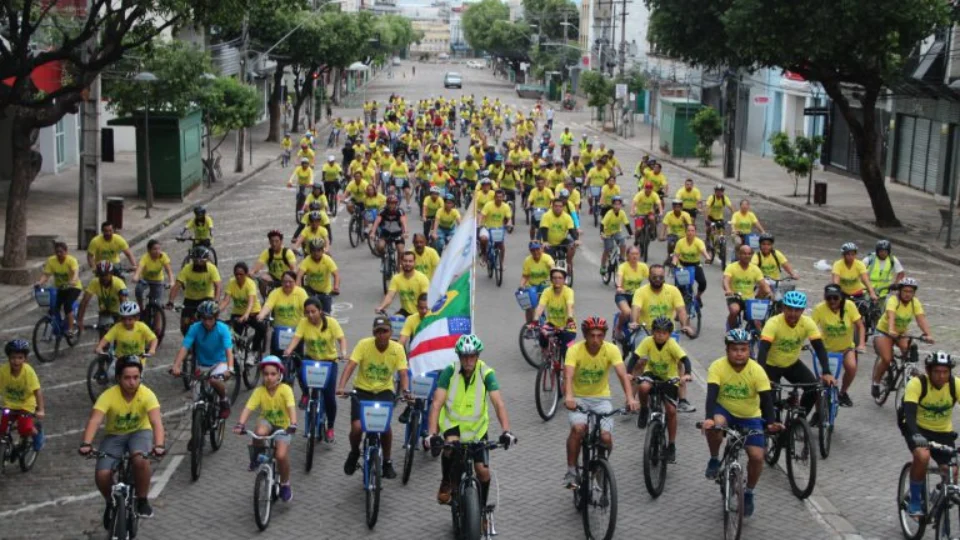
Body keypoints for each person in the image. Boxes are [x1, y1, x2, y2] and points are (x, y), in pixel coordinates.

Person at [428, 334, 515, 509]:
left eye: (472, 355)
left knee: (482, 471)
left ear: (477, 356)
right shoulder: (449, 372)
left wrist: (506, 431)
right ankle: (446, 482)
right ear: (459, 356)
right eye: (465, 356)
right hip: (453, 426)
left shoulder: (486, 373)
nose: (468, 360)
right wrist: (432, 434)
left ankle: (481, 509)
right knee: (450, 450)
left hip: (477, 429)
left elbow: (498, 403)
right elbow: (437, 404)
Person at [702, 329, 781, 518]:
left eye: (743, 349)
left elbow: (766, 399)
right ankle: (714, 458)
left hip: (750, 416)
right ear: (727, 350)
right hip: (725, 411)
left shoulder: (757, 370)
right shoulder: (717, 366)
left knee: (756, 457)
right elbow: (712, 395)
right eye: (735, 349)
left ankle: (749, 493)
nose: (739, 353)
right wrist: (709, 417)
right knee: (715, 426)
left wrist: (770, 423)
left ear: (749, 350)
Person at [79, 356, 165, 525]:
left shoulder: (147, 394)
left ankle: (142, 500)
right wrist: (86, 443)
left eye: (136, 377)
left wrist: (159, 445)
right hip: (115, 436)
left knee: (140, 460)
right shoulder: (108, 395)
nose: (132, 382)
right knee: (102, 474)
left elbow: (156, 422)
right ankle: (111, 502)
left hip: (140, 432)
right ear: (118, 378)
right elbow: (95, 420)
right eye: (127, 378)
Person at [562, 317, 639, 488]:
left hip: (602, 400)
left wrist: (630, 398)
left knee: (606, 438)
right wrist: (569, 396)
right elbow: (568, 375)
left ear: (604, 335)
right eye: (592, 335)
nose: (596, 340)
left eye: (599, 335)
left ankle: (599, 468)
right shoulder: (574, 350)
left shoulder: (611, 349)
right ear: (585, 335)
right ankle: (572, 471)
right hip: (579, 399)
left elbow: (622, 375)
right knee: (578, 429)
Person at [337, 315, 410, 480]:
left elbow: (403, 373)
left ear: (391, 332)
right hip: (362, 391)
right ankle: (354, 452)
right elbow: (351, 366)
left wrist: (405, 390)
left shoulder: (397, 349)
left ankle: (387, 461)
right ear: (373, 333)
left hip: (384, 392)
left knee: (385, 428)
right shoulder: (364, 344)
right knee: (357, 428)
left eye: (385, 331)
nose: (381, 335)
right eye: (378, 332)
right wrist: (341, 386)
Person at [757, 291, 835, 422]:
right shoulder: (773, 323)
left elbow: (819, 347)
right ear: (783, 308)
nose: (793, 314)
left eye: (797, 310)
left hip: (792, 364)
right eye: (789, 309)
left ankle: (800, 421)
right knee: (767, 400)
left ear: (803, 310)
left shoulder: (807, 323)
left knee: (813, 388)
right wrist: (761, 374)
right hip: (771, 366)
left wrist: (826, 372)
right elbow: (763, 349)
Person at [901, 351, 959, 516]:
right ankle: (914, 500)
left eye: (945, 372)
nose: (941, 376)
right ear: (928, 371)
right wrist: (916, 435)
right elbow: (909, 414)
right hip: (917, 428)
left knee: (952, 473)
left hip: (942, 432)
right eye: (937, 372)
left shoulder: (956, 385)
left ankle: (939, 495)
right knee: (923, 456)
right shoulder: (917, 384)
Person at [233, 356, 297, 502]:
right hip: (266, 421)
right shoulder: (259, 391)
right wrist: (240, 424)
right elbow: (248, 408)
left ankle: (285, 484)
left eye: (273, 374)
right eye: (266, 374)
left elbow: (291, 408)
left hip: (283, 426)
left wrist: (293, 424)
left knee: (281, 456)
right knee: (259, 433)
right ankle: (257, 457)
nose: (269, 377)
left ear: (280, 374)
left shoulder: (285, 389)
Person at [283, 297, 347, 432]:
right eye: (307, 312)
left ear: (320, 311)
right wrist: (289, 349)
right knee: (299, 372)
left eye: (313, 311)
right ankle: (305, 394)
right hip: (311, 359)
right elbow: (297, 337)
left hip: (329, 361)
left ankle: (330, 427)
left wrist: (343, 352)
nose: (310, 315)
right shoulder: (303, 322)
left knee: (329, 397)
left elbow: (341, 339)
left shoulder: (331, 322)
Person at [632, 317, 688, 460]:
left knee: (671, 410)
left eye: (664, 333)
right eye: (657, 332)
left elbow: (685, 359)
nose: (660, 335)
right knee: (643, 387)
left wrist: (686, 374)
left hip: (669, 378)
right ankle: (644, 409)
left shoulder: (672, 344)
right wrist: (628, 373)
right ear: (653, 332)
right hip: (651, 374)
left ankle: (672, 445)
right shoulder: (648, 341)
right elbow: (635, 356)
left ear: (669, 334)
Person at [172, 301, 235, 418]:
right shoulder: (194, 328)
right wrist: (176, 365)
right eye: (204, 319)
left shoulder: (223, 329)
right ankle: (196, 433)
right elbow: (185, 347)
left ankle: (224, 400)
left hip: (219, 363)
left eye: (210, 319)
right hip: (201, 365)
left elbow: (228, 350)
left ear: (216, 317)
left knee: (214, 380)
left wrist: (230, 369)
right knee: (196, 402)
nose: (207, 322)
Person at [872, 278, 934, 398]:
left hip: (901, 333)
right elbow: (891, 315)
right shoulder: (893, 300)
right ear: (899, 291)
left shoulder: (914, 302)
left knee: (910, 351)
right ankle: (876, 382)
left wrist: (928, 334)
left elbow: (920, 319)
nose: (907, 294)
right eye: (905, 291)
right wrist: (891, 329)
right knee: (886, 358)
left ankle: (908, 372)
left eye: (910, 291)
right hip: (884, 332)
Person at [811, 284, 865, 407]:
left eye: (835, 298)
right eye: (829, 298)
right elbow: (811, 327)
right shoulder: (819, 309)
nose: (832, 301)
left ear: (841, 298)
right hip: (826, 350)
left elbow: (860, 326)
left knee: (852, 367)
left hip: (846, 348)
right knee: (821, 384)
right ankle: (818, 414)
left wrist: (861, 344)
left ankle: (843, 392)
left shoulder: (850, 306)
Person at [0, 339, 45, 452]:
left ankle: (37, 433)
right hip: (10, 404)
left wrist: (41, 409)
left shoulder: (28, 372)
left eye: (20, 358)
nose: (16, 361)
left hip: (26, 404)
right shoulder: (3, 371)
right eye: (13, 358)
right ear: (9, 358)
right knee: (3, 429)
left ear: (25, 359)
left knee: (25, 428)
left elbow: (37, 391)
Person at [168, 247, 222, 336]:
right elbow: (177, 286)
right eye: (196, 261)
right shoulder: (187, 269)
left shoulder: (212, 268)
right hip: (190, 299)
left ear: (206, 260)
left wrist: (216, 301)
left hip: (206, 298)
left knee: (209, 322)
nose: (198, 263)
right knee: (184, 325)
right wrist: (171, 301)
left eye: (201, 261)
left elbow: (218, 286)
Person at [256, 271, 309, 357]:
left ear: (295, 282)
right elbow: (268, 305)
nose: (287, 284)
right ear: (281, 282)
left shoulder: (301, 293)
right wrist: (261, 315)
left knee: (298, 358)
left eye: (290, 282)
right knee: (275, 357)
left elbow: (307, 308)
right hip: (278, 331)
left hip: (296, 331)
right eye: (285, 282)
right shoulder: (275, 293)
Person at [631, 264, 693, 336]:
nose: (657, 279)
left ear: (664, 278)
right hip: (646, 331)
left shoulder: (674, 290)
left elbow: (681, 310)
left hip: (668, 331)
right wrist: (634, 322)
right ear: (649, 277)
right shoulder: (640, 291)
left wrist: (684, 325)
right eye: (654, 277)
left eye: (661, 277)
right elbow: (636, 308)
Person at [36, 241, 83, 336]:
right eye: (57, 252)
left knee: (67, 305)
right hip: (60, 288)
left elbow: (75, 273)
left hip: (73, 287)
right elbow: (46, 275)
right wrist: (39, 282)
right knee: (54, 307)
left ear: (66, 252)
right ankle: (58, 326)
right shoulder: (51, 261)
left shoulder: (71, 261)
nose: (59, 254)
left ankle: (70, 329)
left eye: (61, 252)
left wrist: (72, 281)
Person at [219, 262, 266, 355]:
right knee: (232, 335)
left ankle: (253, 352)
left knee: (262, 329)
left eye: (241, 274)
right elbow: (226, 301)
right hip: (237, 314)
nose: (238, 276)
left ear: (246, 274)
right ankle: (235, 354)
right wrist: (216, 311)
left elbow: (251, 302)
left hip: (252, 313)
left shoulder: (250, 284)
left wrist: (246, 315)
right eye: (236, 274)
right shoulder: (231, 283)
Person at [722, 245, 771, 331]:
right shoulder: (731, 267)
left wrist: (769, 292)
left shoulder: (755, 269)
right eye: (744, 254)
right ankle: (731, 328)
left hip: (750, 299)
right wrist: (728, 290)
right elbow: (726, 280)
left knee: (757, 321)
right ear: (739, 254)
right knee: (734, 310)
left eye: (749, 254)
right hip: (734, 297)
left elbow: (763, 284)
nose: (747, 256)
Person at [531, 267, 577, 352]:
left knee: (568, 351)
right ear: (551, 280)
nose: (557, 280)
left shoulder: (569, 291)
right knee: (542, 337)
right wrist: (535, 319)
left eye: (560, 278)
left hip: (567, 326)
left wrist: (570, 319)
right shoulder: (547, 291)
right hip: (551, 325)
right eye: (554, 278)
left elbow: (570, 305)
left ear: (564, 280)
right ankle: (545, 357)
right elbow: (541, 306)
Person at [77, 261, 129, 335]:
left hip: (119, 312)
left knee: (120, 336)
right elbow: (84, 301)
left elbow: (123, 303)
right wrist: (80, 320)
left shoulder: (119, 283)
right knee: (103, 336)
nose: (104, 277)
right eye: (101, 275)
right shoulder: (94, 282)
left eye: (106, 275)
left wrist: (123, 319)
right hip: (105, 311)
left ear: (111, 274)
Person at [375, 251, 430, 317]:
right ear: (401, 262)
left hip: (420, 313)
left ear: (414, 263)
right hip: (405, 312)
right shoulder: (396, 278)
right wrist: (381, 307)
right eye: (405, 261)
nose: (407, 263)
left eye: (410, 261)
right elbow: (390, 296)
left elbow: (426, 298)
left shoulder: (422, 278)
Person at [132, 239, 174, 318]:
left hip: (158, 282)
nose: (157, 251)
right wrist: (136, 276)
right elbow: (139, 268)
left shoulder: (163, 256)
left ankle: (158, 328)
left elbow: (169, 271)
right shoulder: (145, 257)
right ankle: (141, 309)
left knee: (158, 305)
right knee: (138, 289)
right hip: (146, 280)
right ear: (149, 250)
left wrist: (171, 281)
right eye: (154, 249)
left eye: (159, 249)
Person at [296, 238, 340, 314]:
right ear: (310, 251)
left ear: (323, 251)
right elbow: (299, 275)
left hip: (325, 291)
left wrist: (335, 287)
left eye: (319, 250)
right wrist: (297, 288)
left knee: (327, 315)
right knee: (310, 312)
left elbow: (336, 275)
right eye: (314, 250)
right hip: (312, 291)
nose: (316, 253)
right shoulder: (307, 260)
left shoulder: (327, 260)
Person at [538, 199, 578, 278]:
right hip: (549, 242)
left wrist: (576, 239)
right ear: (552, 207)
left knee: (572, 245)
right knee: (550, 261)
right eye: (556, 206)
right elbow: (544, 229)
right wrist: (545, 241)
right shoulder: (546, 215)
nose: (558, 208)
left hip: (562, 241)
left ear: (563, 207)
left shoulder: (567, 217)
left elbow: (571, 229)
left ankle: (569, 263)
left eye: (560, 206)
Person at [614, 246, 649, 338]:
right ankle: (618, 328)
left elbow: (651, 278)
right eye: (632, 254)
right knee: (627, 312)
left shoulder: (643, 267)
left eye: (637, 254)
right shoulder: (623, 267)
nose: (635, 256)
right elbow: (619, 277)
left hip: (636, 296)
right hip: (623, 295)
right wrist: (618, 287)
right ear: (627, 255)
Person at [671, 224, 709, 304]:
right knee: (679, 286)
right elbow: (676, 256)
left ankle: (698, 297)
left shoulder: (699, 242)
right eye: (688, 230)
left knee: (703, 283)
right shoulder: (680, 242)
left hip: (695, 265)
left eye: (692, 231)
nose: (690, 233)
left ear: (695, 232)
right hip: (682, 265)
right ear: (685, 232)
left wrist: (707, 258)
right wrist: (674, 263)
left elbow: (704, 251)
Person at [251, 230, 298, 294]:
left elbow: (294, 269)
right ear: (269, 242)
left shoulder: (287, 252)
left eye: (276, 241)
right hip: (273, 278)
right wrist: (252, 272)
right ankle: (266, 298)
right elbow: (258, 266)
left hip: (285, 278)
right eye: (272, 241)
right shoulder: (267, 252)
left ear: (281, 242)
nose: (274, 244)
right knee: (262, 278)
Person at [519, 242, 555, 324]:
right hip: (532, 285)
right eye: (533, 250)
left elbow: (552, 267)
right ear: (530, 251)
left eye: (537, 249)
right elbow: (525, 276)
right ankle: (529, 325)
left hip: (545, 284)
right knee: (529, 306)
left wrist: (554, 272)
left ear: (541, 249)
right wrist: (521, 285)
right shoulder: (528, 260)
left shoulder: (547, 258)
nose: (535, 252)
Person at [370, 195, 408, 270]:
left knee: (401, 250)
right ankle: (384, 260)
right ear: (387, 203)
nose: (391, 205)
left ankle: (398, 266)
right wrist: (373, 233)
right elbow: (377, 222)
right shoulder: (383, 210)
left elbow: (404, 222)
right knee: (380, 246)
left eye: (393, 203)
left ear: (396, 204)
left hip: (397, 233)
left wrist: (405, 232)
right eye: (390, 203)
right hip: (385, 233)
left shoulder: (399, 211)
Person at [599, 196, 631, 276]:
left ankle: (622, 258)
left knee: (623, 243)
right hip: (608, 233)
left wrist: (631, 233)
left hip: (617, 232)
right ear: (612, 205)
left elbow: (626, 223)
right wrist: (602, 234)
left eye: (619, 204)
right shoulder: (609, 213)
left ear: (621, 205)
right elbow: (602, 224)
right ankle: (603, 266)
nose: (617, 206)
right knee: (608, 249)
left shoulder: (622, 213)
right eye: (615, 204)